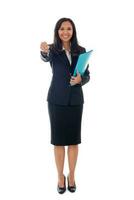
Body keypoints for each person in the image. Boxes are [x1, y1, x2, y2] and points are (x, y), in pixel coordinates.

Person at [40, 17, 90, 194]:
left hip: (76, 101)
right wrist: (43, 50)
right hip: (56, 101)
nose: (65, 32)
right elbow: (45, 57)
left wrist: (81, 79)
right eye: (62, 29)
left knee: (74, 141)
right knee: (59, 141)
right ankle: (60, 176)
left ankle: (72, 175)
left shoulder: (81, 51)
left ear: (73, 31)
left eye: (69, 29)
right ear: (57, 31)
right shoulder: (53, 50)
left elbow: (87, 75)